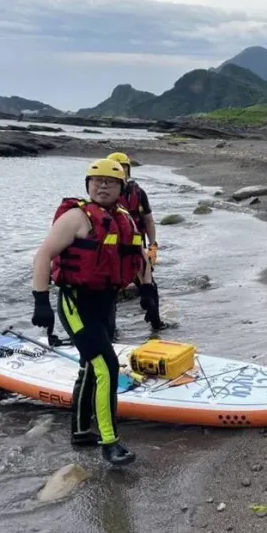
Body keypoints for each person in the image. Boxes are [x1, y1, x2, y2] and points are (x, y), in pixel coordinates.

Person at [30, 158, 143, 466]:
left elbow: (136, 257)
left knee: (90, 367)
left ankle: (80, 432)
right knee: (106, 366)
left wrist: (146, 289)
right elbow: (43, 255)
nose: (102, 185)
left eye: (110, 181)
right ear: (87, 185)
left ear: (121, 187)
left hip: (106, 304)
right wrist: (41, 300)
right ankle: (110, 442)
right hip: (76, 304)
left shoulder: (123, 219)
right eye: (96, 181)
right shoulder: (76, 217)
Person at [106, 151, 167, 332]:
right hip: (111, 253)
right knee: (108, 295)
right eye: (115, 169)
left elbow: (148, 220)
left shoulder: (138, 194)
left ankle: (156, 323)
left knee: (150, 288)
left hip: (135, 248)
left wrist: (152, 245)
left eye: (122, 168)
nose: (120, 172)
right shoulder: (102, 197)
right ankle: (111, 331)